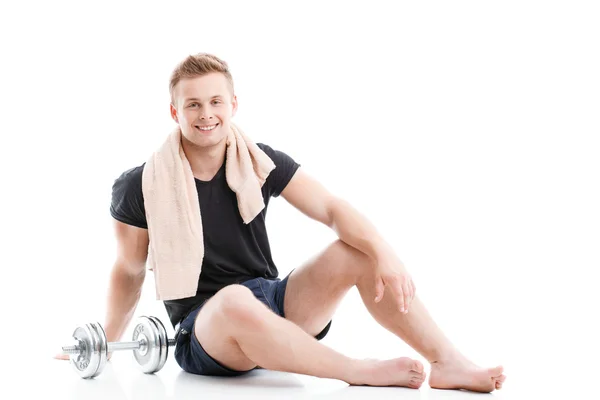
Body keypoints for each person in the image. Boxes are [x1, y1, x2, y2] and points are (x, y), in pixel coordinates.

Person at [57, 53, 506, 392]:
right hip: (203, 330)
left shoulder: (259, 161)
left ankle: (446, 361)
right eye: (192, 105)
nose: (206, 114)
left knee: (356, 250)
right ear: (175, 112)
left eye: (215, 101)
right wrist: (107, 345)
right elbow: (129, 271)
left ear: (234, 104)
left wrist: (385, 253)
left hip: (272, 301)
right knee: (233, 300)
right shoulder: (140, 185)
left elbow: (330, 208)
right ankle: (354, 370)